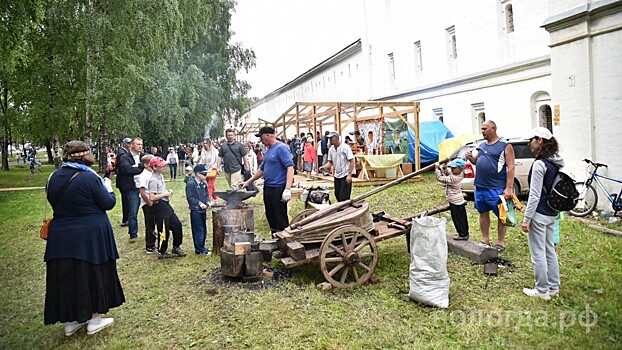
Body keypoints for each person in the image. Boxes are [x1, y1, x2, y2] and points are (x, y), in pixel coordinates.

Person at [44, 140, 124, 336]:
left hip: (61, 236)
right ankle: (94, 319)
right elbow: (108, 203)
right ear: (86, 155)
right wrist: (109, 187)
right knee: (92, 273)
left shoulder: (53, 176)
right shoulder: (90, 178)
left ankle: (71, 320)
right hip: (90, 237)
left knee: (68, 275)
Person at [520, 127, 562, 300]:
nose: (530, 143)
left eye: (532, 139)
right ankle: (553, 287)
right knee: (549, 250)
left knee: (538, 253)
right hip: (552, 212)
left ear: (540, 141)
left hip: (538, 214)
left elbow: (534, 195)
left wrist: (526, 219)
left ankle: (542, 290)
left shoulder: (539, 164)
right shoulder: (555, 162)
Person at [465, 120, 515, 252]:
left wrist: (508, 188)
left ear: (493, 128)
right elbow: (476, 162)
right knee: (483, 212)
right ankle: (485, 240)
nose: (482, 131)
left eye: (485, 129)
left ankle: (500, 241)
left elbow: (511, 167)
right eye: (481, 129)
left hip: (496, 187)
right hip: (480, 186)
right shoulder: (481, 145)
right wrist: (471, 158)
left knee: (501, 215)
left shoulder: (505, 146)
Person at [241, 127, 294, 236]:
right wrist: (248, 182)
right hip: (268, 188)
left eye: (261, 137)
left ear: (268, 135)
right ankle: (275, 239)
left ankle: (284, 241)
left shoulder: (281, 148)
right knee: (270, 216)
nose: (260, 140)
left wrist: (287, 189)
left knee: (280, 217)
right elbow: (262, 169)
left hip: (278, 188)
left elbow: (290, 167)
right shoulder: (269, 150)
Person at [148, 157, 186, 258]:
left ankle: (176, 247)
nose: (164, 167)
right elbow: (152, 197)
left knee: (177, 224)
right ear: (155, 167)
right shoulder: (153, 180)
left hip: (166, 205)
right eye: (162, 165)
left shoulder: (160, 176)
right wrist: (165, 194)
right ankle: (162, 251)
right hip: (159, 206)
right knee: (163, 229)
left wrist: (166, 193)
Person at [116, 137, 145, 243]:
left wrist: (137, 166)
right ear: (132, 145)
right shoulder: (124, 156)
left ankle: (151, 231)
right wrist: (141, 168)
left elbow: (150, 165)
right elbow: (127, 170)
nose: (140, 146)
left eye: (141, 144)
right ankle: (133, 234)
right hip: (131, 187)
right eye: (138, 144)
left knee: (151, 210)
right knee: (133, 211)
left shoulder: (143, 155)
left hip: (144, 186)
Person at [435, 159, 469, 240]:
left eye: (454, 168)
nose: (452, 169)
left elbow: (440, 178)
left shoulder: (454, 178)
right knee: (462, 218)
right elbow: (448, 173)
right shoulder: (457, 174)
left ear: (460, 169)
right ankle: (465, 233)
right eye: (451, 167)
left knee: (457, 219)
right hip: (458, 201)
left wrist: (437, 169)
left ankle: (462, 234)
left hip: (455, 202)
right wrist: (445, 167)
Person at [319, 132, 355, 202]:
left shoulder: (345, 147)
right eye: (330, 138)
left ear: (337, 138)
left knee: (343, 196)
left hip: (345, 175)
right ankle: (341, 209)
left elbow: (352, 161)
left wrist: (349, 175)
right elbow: (330, 162)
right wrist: (324, 167)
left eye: (332, 138)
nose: (331, 140)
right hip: (337, 175)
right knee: (337, 194)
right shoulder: (331, 149)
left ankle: (345, 210)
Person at [186, 164, 212, 256]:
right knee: (198, 230)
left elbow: (206, 196)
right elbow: (190, 198)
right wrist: (199, 203)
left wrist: (207, 202)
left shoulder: (204, 184)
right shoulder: (191, 184)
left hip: (203, 211)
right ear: (197, 174)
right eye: (204, 174)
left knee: (204, 229)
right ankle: (199, 249)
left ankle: (202, 246)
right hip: (196, 210)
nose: (206, 176)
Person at [135, 154, 157, 253]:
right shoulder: (143, 175)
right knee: (150, 224)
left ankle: (154, 242)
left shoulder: (152, 173)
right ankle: (150, 246)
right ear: (146, 164)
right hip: (148, 203)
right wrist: (149, 203)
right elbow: (142, 192)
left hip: (154, 201)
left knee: (154, 222)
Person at [115, 137, 134, 226]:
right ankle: (126, 219)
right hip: (123, 181)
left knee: (127, 201)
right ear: (125, 144)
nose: (131, 145)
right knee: (126, 201)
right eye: (129, 143)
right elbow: (124, 168)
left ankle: (127, 218)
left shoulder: (125, 152)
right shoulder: (122, 154)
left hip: (124, 180)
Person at [196, 138, 219, 203]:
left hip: (213, 170)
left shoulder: (215, 151)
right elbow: (202, 161)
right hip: (205, 170)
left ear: (209, 143)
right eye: (204, 143)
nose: (205, 145)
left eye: (206, 143)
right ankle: (215, 199)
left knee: (210, 185)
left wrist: (215, 167)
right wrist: (199, 167)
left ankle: (207, 200)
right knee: (211, 185)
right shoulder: (203, 151)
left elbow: (217, 160)